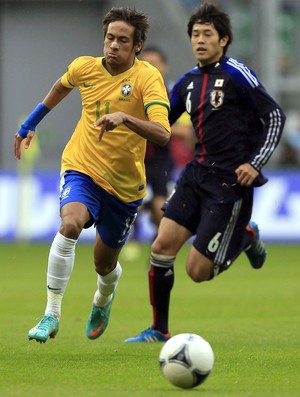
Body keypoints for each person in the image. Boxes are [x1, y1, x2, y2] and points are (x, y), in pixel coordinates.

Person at [124, 2, 286, 343]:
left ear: (223, 40)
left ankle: (246, 236)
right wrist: (125, 126)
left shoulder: (238, 75)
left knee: (197, 272)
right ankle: (158, 329)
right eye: (195, 34)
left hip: (230, 183)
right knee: (162, 245)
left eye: (207, 34)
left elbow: (274, 117)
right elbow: (161, 123)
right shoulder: (188, 82)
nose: (200, 40)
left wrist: (254, 163)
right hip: (196, 175)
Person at [14, 6, 171, 343]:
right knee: (69, 224)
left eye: (122, 40)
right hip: (81, 167)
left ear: (137, 46)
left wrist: (125, 118)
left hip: (125, 187)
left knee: (104, 264)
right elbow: (60, 86)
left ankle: (102, 299)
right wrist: (31, 123)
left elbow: (163, 132)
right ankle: (51, 314)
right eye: (109, 38)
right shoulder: (84, 67)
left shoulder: (147, 78)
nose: (113, 45)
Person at [139, 46, 194, 230]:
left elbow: (186, 131)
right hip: (133, 156)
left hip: (161, 159)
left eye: (153, 64)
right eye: (144, 64)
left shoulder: (174, 94)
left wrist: (154, 127)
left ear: (164, 67)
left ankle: (157, 250)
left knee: (160, 211)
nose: (149, 69)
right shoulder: (131, 91)